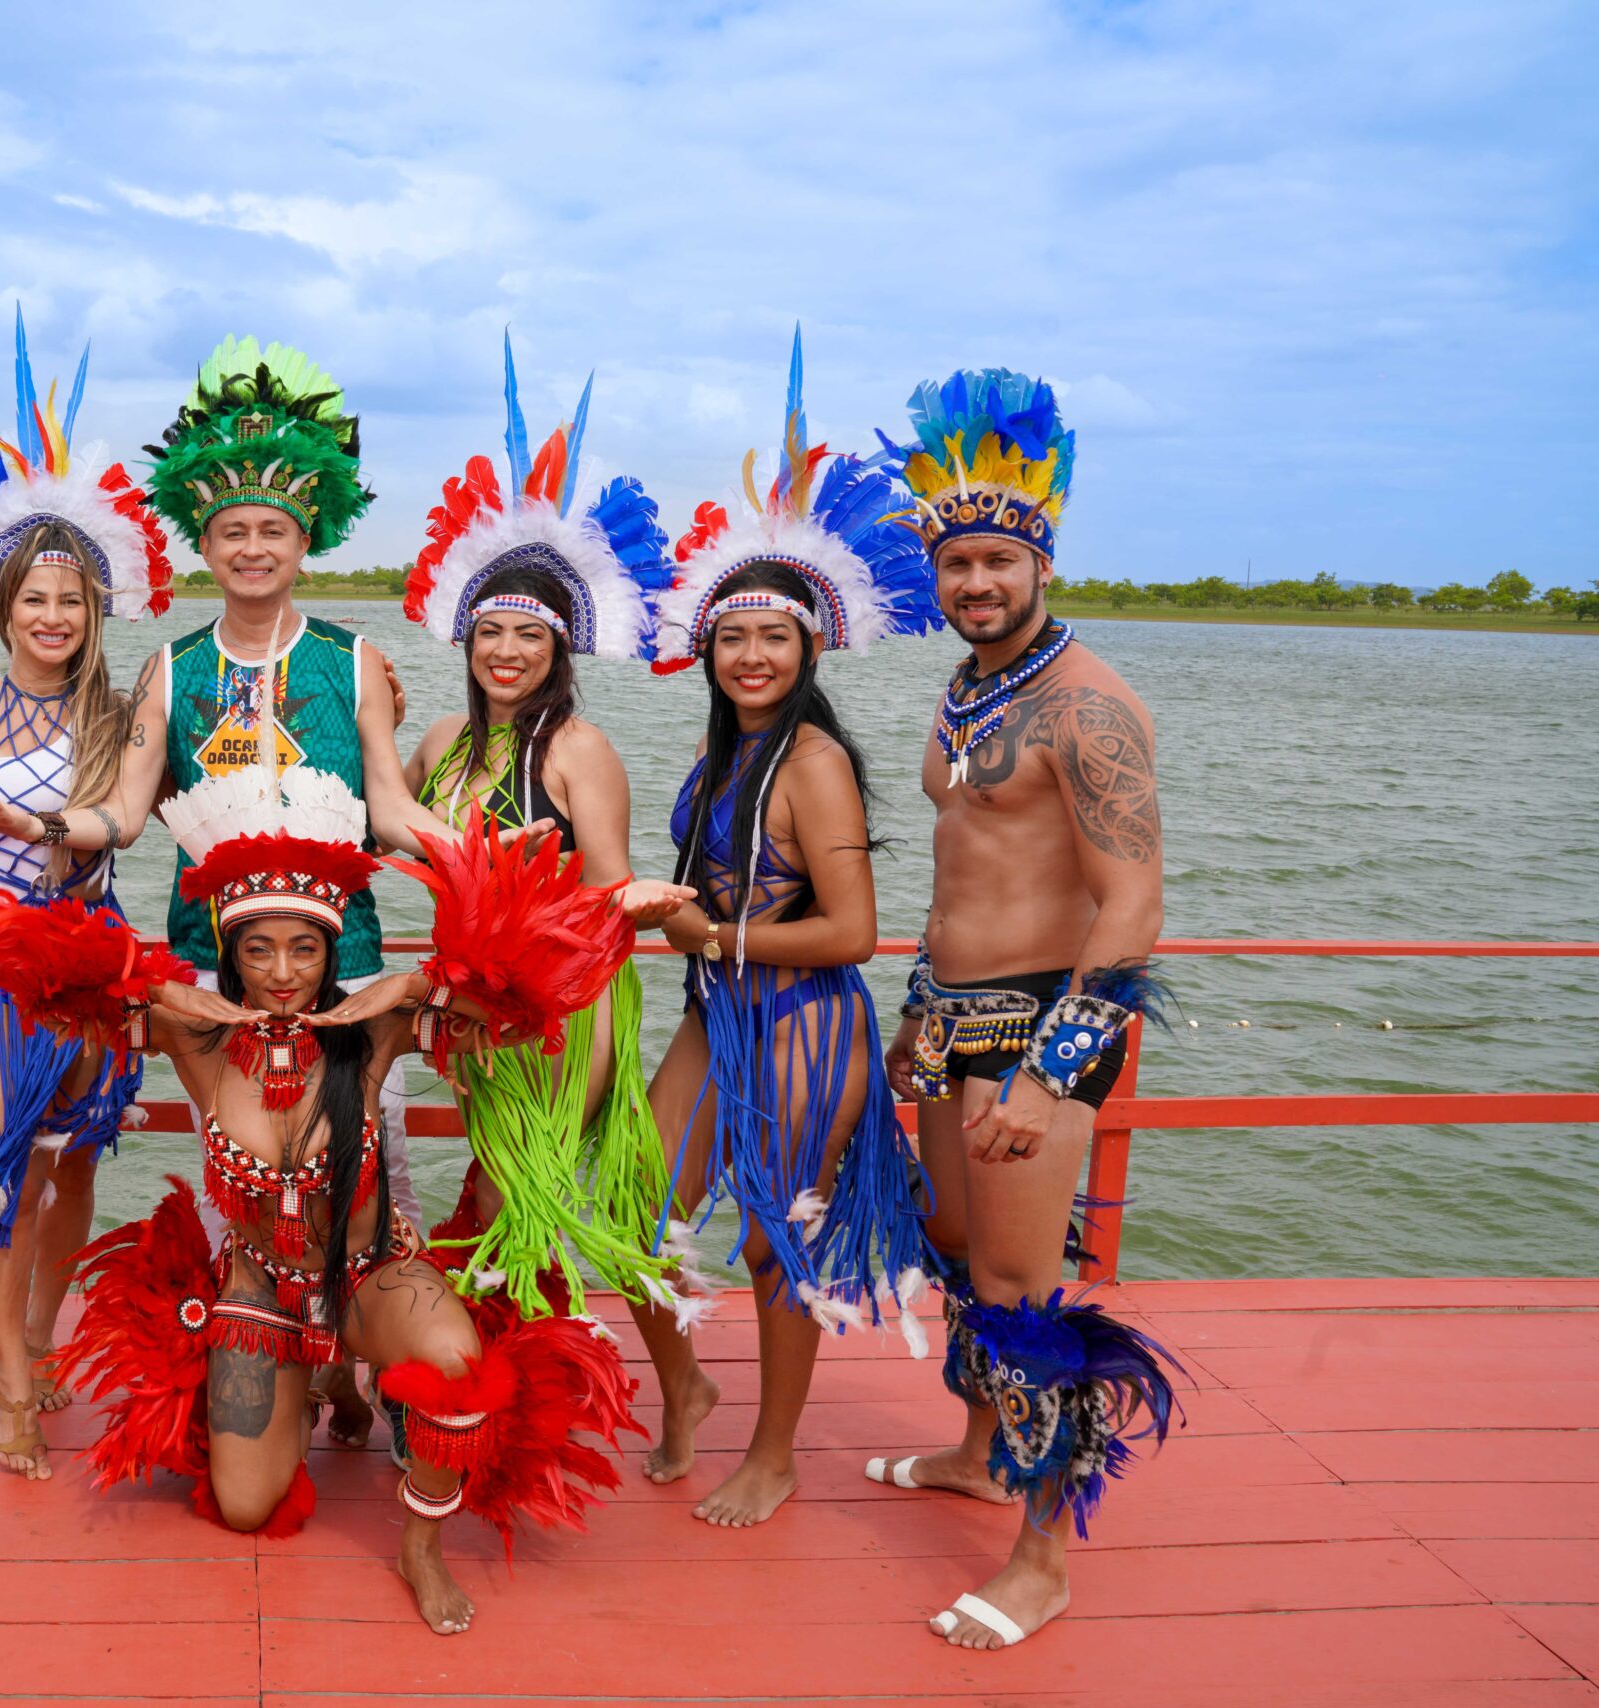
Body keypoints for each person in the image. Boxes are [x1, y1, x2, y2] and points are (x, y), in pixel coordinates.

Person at [0, 765, 641, 1636]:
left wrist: (404, 987)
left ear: (333, 951)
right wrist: (175, 990)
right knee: (248, 1505)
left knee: (455, 1367)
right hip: (262, 1287)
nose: (282, 972)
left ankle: (419, 1548)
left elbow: (518, 1007)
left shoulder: (373, 1031)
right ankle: (319, 1379)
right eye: (257, 949)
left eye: (305, 949)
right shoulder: (201, 1038)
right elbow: (58, 988)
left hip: (369, 1277)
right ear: (231, 952)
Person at [868, 368, 1176, 1650]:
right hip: (946, 1016)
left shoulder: (1088, 706)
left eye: (996, 560)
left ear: (1039, 560)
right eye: (955, 564)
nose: (974, 584)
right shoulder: (963, 689)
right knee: (957, 1253)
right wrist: (914, 1014)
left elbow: (1133, 903)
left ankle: (1042, 1552)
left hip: (1036, 1032)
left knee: (1023, 1287)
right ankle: (975, 1451)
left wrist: (1052, 1075)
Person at [626, 330, 946, 1532]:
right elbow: (706, 905)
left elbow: (855, 933)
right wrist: (679, 927)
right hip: (720, 1021)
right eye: (732, 636)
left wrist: (712, 939)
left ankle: (773, 1452)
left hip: (808, 1027)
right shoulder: (723, 756)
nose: (751, 654)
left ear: (810, 646)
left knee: (777, 1245)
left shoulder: (812, 763)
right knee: (631, 1211)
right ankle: (690, 1381)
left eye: (773, 637)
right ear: (705, 650)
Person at [0, 313, 174, 1476]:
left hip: (92, 949)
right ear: (2, 605)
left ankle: (44, 1343)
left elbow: (104, 832)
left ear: (95, 612)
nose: (52, 619)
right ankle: (10, 1376)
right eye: (33, 601)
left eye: (72, 603)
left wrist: (41, 827)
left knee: (72, 1166)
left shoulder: (122, 714)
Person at [113, 338, 456, 1237]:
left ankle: (367, 1365)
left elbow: (390, 807)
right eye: (233, 531)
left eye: (273, 531)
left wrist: (486, 859)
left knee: (375, 1172)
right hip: (212, 960)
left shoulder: (356, 658)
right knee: (236, 1177)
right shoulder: (168, 668)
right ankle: (251, 1355)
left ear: (307, 540)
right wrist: (36, 819)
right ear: (205, 544)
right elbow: (122, 810)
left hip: (340, 961)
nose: (253, 548)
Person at [396, 333, 688, 1317]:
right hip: (472, 1009)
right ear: (465, 638)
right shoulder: (438, 740)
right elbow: (377, 831)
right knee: (493, 1193)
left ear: (559, 647)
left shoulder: (577, 749)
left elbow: (610, 888)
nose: (506, 651)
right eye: (490, 632)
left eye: (529, 634)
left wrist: (633, 898)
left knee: (527, 1202)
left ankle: (514, 1398)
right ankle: (496, 1397)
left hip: (567, 1009)